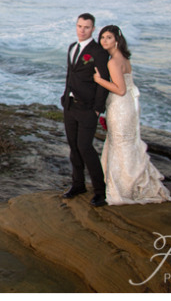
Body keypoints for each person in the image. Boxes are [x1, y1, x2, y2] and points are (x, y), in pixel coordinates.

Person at [93, 25, 171, 205]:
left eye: (108, 37)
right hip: (129, 105)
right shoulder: (123, 58)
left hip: (120, 106)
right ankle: (133, 182)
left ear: (117, 40)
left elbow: (120, 89)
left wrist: (100, 81)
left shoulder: (113, 62)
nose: (104, 41)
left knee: (120, 143)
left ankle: (124, 188)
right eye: (102, 37)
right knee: (127, 143)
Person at [61, 13, 110, 207]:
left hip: (88, 108)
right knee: (73, 147)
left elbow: (104, 81)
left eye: (86, 27)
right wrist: (65, 98)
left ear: (93, 29)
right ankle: (78, 184)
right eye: (79, 26)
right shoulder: (72, 47)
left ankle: (100, 191)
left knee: (86, 148)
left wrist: (98, 109)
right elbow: (70, 75)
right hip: (70, 106)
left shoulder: (98, 52)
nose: (82, 30)